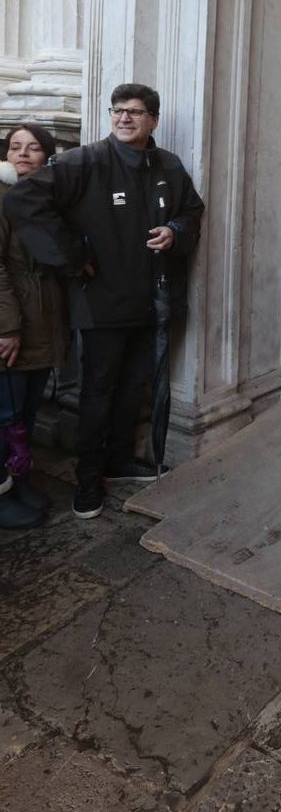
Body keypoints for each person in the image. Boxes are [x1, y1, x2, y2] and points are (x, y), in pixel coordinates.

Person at [3, 84, 204, 520]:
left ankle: (119, 460)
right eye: (118, 111)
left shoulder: (168, 164)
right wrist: (72, 257)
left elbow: (192, 211)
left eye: (135, 112)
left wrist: (176, 231)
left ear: (153, 119)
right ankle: (88, 482)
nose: (125, 118)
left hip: (153, 303)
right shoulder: (86, 161)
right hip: (102, 307)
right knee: (98, 393)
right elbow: (24, 200)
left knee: (134, 389)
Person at [0, 124, 69, 529]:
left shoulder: (47, 199)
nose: (23, 153)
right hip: (12, 322)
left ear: (47, 155)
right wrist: (6, 327)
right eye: (14, 147)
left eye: (33, 148)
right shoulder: (3, 198)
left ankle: (20, 481)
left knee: (24, 412)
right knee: (5, 413)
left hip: (43, 321)